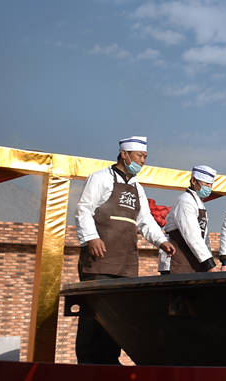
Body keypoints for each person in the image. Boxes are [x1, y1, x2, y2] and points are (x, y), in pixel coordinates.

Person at [74, 136, 176, 364]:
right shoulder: (100, 178)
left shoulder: (137, 188)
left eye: (145, 158)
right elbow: (83, 210)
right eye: (140, 156)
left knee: (117, 315)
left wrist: (161, 241)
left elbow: (145, 221)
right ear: (125, 154)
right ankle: (88, 362)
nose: (143, 161)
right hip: (100, 261)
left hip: (125, 263)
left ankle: (110, 360)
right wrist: (91, 237)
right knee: (94, 313)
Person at [160, 164, 219, 274]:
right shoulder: (185, 201)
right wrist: (209, 264)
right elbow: (192, 235)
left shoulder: (199, 203)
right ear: (193, 181)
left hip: (192, 262)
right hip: (176, 262)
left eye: (210, 184)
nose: (209, 187)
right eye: (206, 184)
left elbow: (203, 239)